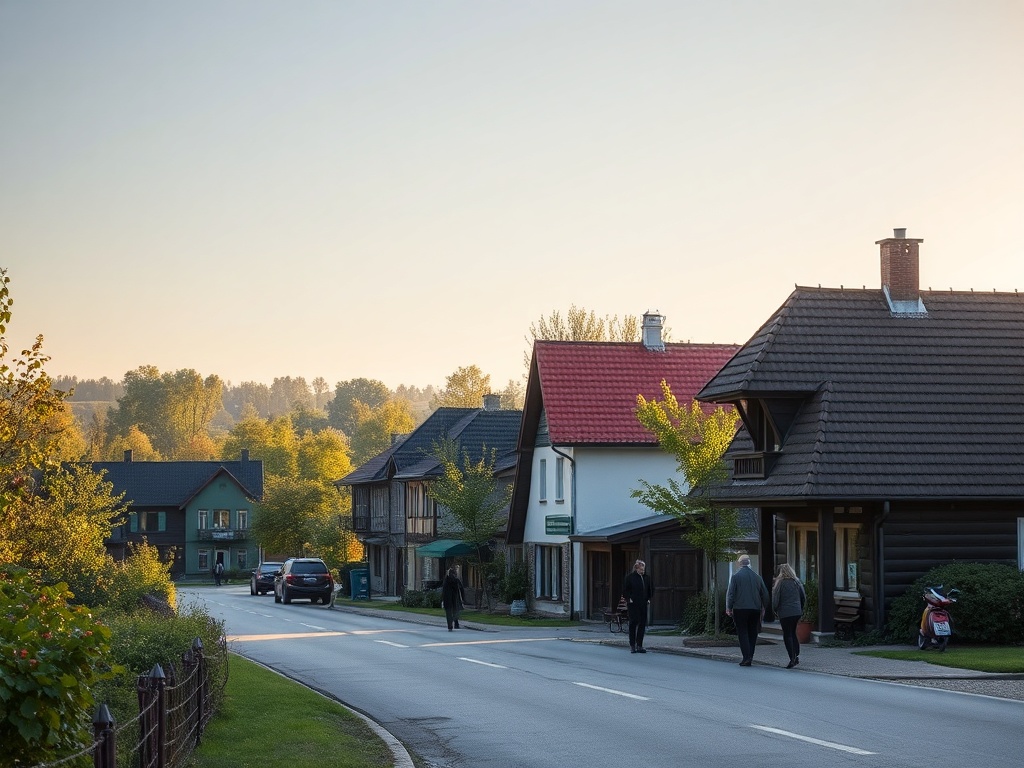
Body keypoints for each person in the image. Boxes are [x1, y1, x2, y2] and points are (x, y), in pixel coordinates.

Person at [725, 554, 770, 666]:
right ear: (749, 563)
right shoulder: (757, 577)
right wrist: (764, 607)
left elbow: (731, 594)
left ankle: (746, 657)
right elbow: (765, 594)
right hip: (755, 609)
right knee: (752, 632)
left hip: (740, 608)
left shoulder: (735, 577)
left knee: (742, 632)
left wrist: (728, 608)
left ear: (740, 564)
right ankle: (751, 655)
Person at [772, 563, 806, 669]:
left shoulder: (780, 583)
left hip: (785, 612)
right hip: (796, 612)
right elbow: (803, 596)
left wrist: (775, 609)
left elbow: (776, 599)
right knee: (793, 632)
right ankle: (796, 654)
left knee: (787, 634)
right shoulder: (797, 582)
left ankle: (792, 658)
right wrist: (800, 608)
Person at [622, 559, 653, 653]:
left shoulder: (646, 578)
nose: (643, 571)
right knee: (633, 622)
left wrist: (648, 598)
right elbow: (625, 590)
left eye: (643, 569)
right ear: (636, 568)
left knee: (642, 623)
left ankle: (639, 645)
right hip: (633, 603)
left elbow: (651, 588)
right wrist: (629, 599)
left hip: (643, 603)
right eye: (641, 569)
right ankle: (632, 645)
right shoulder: (630, 577)